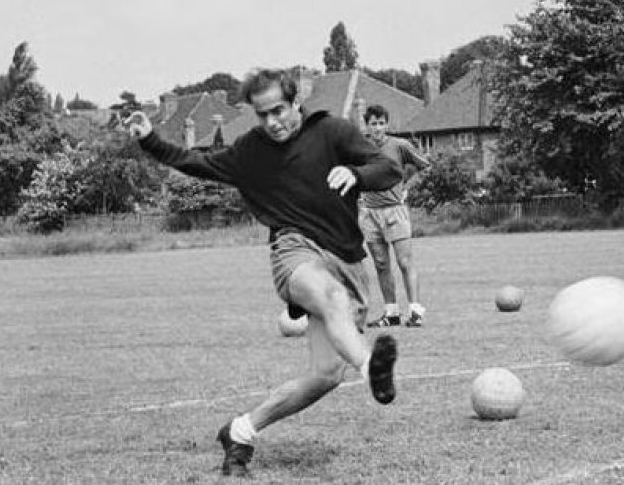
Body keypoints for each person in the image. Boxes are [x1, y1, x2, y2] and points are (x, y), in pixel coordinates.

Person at [125, 69, 403, 478]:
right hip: (295, 251)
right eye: (262, 114)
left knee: (325, 375)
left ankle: (241, 430)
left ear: (295, 104)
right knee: (330, 296)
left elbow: (389, 169)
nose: (272, 122)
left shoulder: (331, 132)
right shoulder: (251, 151)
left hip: (347, 257)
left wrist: (356, 174)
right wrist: (149, 139)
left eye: (278, 110)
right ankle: (371, 368)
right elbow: (195, 161)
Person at [359, 104, 432, 328]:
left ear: (387, 124)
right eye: (374, 123)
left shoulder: (400, 146)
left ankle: (416, 311)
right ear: (367, 126)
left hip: (395, 211)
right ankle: (390, 313)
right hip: (370, 214)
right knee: (381, 264)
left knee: (404, 261)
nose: (378, 128)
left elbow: (425, 167)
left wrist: (408, 187)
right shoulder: (359, 147)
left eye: (382, 123)